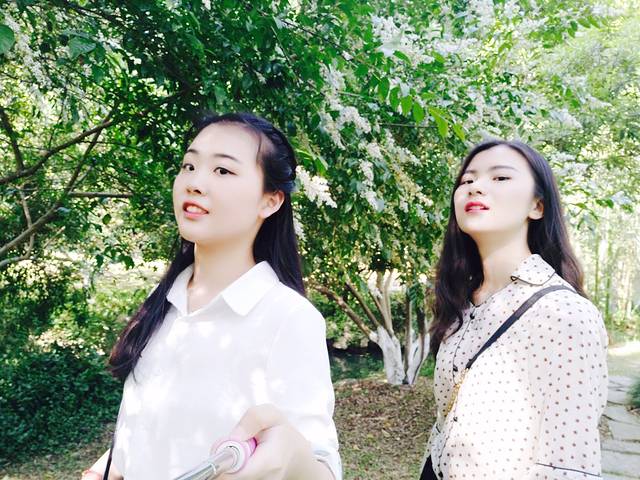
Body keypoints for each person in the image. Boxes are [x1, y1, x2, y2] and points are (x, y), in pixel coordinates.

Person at [81, 112, 341, 480]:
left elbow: (321, 468)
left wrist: (292, 455)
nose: (195, 182)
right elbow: (151, 425)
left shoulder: (288, 318)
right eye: (189, 166)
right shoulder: (165, 300)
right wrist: (104, 469)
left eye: (222, 170)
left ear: (270, 201)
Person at [420, 140, 608, 479]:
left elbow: (569, 465)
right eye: (467, 180)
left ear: (537, 206)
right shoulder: (460, 304)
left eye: (500, 178)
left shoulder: (564, 314)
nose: (476, 186)